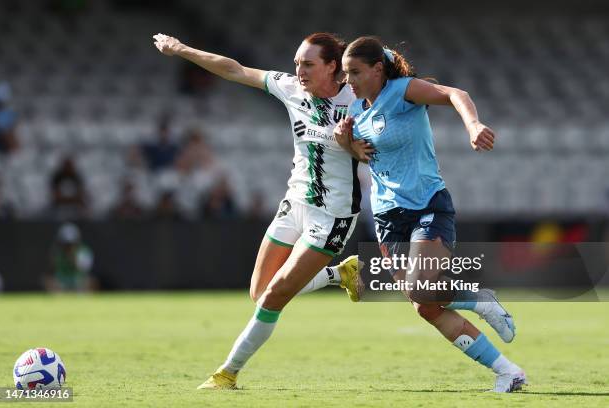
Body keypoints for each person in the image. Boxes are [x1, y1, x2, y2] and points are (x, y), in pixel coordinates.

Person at [153, 32, 363, 389]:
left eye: (308, 64)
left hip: (332, 217)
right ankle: (338, 275)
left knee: (274, 297)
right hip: (294, 202)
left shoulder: (360, 101)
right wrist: (183, 50)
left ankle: (227, 373)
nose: (299, 71)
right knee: (259, 291)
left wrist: (351, 144)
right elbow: (234, 70)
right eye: (297, 63)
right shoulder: (290, 87)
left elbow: (374, 152)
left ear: (333, 67)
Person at [334, 36, 526, 393]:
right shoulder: (357, 112)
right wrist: (346, 142)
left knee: (422, 289)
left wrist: (472, 126)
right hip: (388, 215)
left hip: (426, 204)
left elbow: (456, 94)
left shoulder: (404, 91)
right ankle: (508, 372)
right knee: (426, 306)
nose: (350, 81)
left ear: (378, 69)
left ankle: (478, 299)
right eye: (346, 74)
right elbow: (364, 157)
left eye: (355, 72)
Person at [45, 223, 96, 292]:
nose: (68, 247)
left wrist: (73, 259)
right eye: (66, 244)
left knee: (91, 281)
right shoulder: (57, 252)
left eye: (71, 244)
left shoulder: (83, 251)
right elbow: (53, 269)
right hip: (62, 281)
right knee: (48, 281)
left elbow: (85, 270)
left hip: (78, 281)